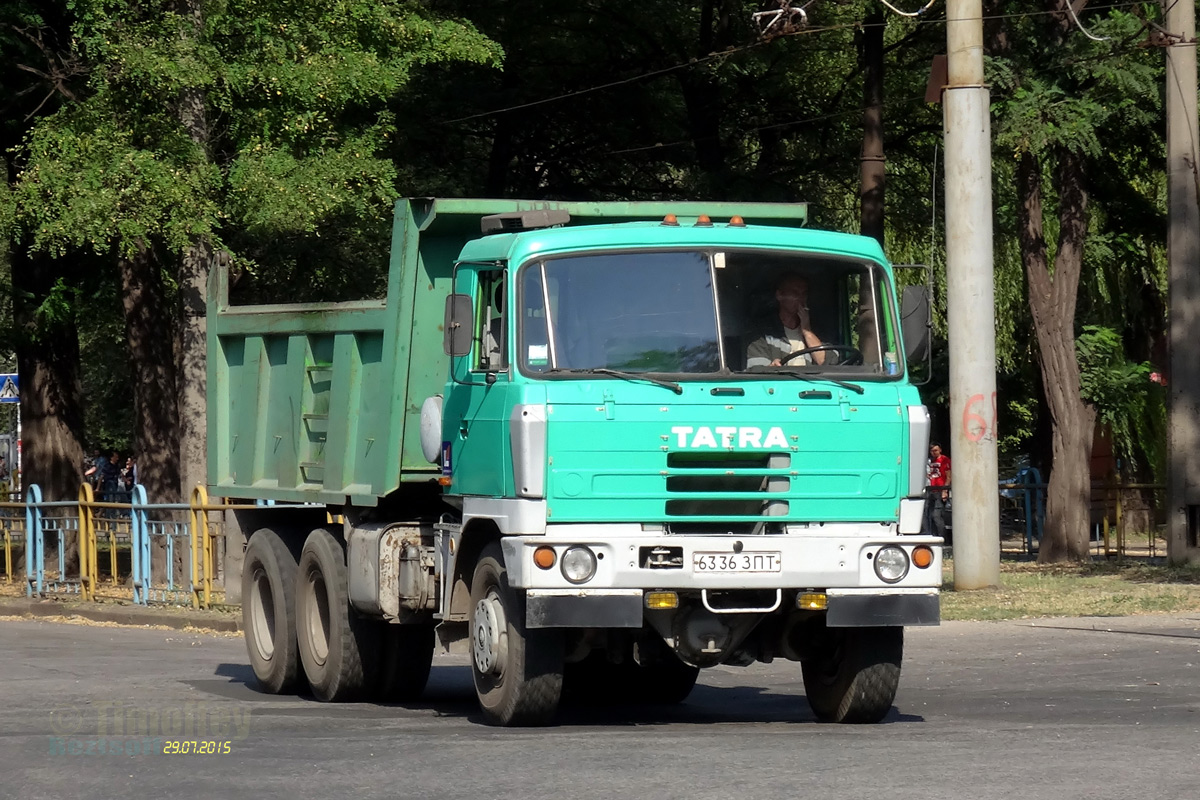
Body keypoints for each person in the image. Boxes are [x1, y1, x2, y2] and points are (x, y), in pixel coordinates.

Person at [746, 273, 827, 367]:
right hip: (781, 381)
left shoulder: (817, 330)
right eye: (795, 293)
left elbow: (825, 362)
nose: (800, 298)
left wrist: (807, 331)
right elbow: (756, 369)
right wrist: (771, 368)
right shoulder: (762, 331)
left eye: (804, 294)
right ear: (779, 295)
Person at [923, 442, 951, 540]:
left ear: (940, 450)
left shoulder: (944, 460)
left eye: (936, 450)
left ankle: (942, 537)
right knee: (928, 514)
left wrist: (945, 490)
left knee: (937, 515)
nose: (934, 453)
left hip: (940, 490)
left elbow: (948, 476)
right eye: (932, 451)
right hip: (930, 490)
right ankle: (931, 535)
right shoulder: (929, 462)